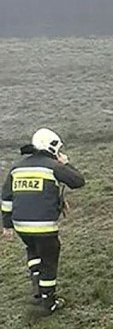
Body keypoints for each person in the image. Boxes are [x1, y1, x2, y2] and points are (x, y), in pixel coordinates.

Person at [1, 128, 85, 314]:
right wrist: (67, 164)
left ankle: (37, 289)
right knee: (49, 259)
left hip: (21, 226)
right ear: (52, 146)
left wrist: (7, 225)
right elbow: (78, 181)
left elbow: (6, 197)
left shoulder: (17, 167)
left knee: (33, 250)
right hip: (44, 227)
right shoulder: (53, 166)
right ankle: (49, 302)